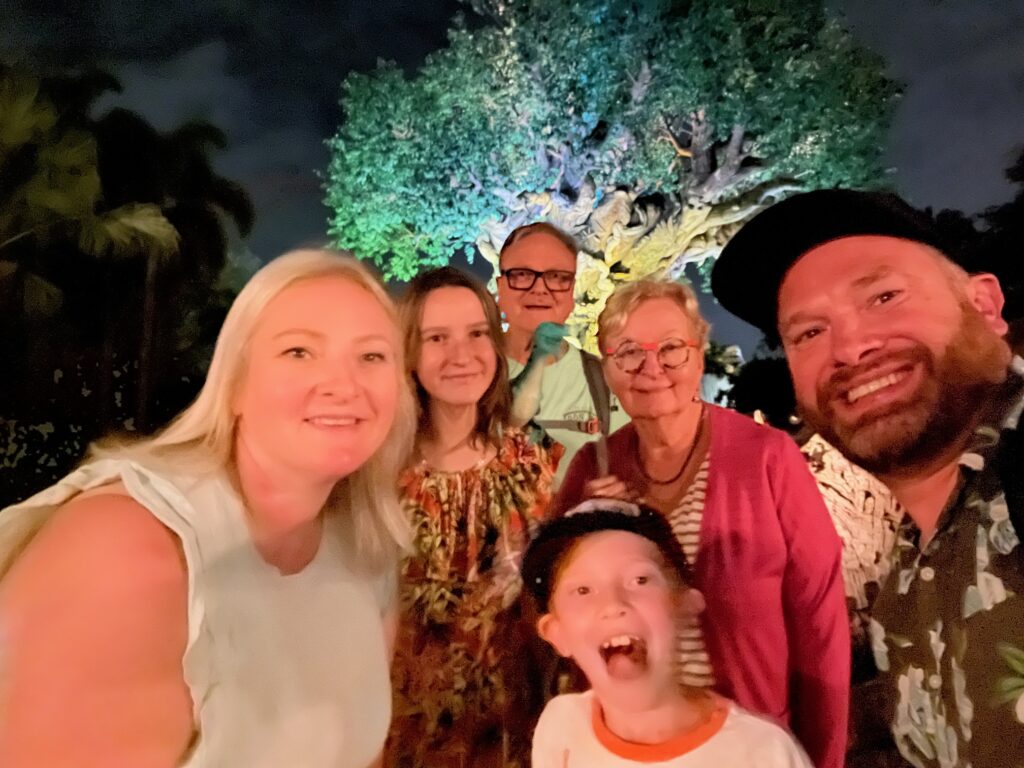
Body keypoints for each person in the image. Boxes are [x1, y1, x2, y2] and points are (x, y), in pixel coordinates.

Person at [0, 250, 416, 768]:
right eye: (299, 351)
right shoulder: (125, 550)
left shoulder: (365, 551)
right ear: (234, 384)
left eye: (372, 356)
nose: (343, 384)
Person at [711, 188, 1024, 768]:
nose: (851, 348)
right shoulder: (905, 590)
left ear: (984, 303)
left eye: (884, 297)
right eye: (809, 333)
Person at [550, 279, 850, 768]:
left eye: (671, 348)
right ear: (607, 366)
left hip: (747, 747)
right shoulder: (592, 466)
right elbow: (552, 598)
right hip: (624, 746)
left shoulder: (767, 457)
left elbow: (821, 623)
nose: (652, 369)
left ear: (698, 353)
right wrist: (586, 531)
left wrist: (821, 757)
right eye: (629, 352)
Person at [386, 266, 562, 768]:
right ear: (408, 352)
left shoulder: (530, 463)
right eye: (436, 338)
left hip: (517, 737)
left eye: (477, 333)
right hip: (407, 739)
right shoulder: (377, 476)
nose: (461, 355)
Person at [522, 498, 814, 768]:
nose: (613, 605)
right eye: (583, 590)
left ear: (685, 604)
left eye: (639, 580)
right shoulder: (563, 725)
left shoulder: (763, 753)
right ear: (556, 633)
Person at [498, 222, 629, 483]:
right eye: (522, 275)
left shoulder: (607, 381)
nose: (540, 289)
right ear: (500, 287)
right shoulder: (465, 376)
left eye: (557, 277)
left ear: (572, 290)